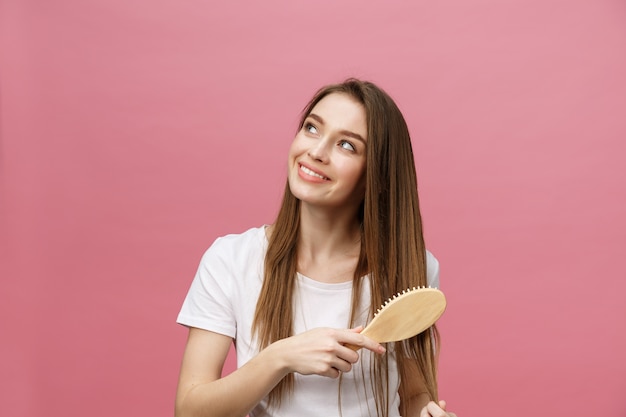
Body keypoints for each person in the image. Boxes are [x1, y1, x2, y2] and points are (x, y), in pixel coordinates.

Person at [175, 79, 457, 417]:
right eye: (311, 128)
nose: (316, 152)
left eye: (347, 146)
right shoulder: (230, 260)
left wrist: (424, 413)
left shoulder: (412, 266)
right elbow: (189, 411)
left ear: (376, 176)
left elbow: (413, 393)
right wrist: (280, 357)